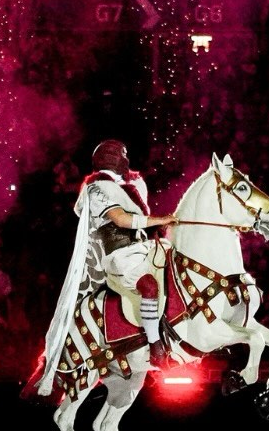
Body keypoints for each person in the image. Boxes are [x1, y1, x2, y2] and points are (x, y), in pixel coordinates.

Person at [36, 140, 178, 397]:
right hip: (120, 255)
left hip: (145, 246)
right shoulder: (98, 189)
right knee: (148, 285)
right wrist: (161, 219)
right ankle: (155, 345)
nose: (127, 159)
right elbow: (122, 219)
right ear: (112, 158)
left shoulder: (132, 184)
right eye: (124, 154)